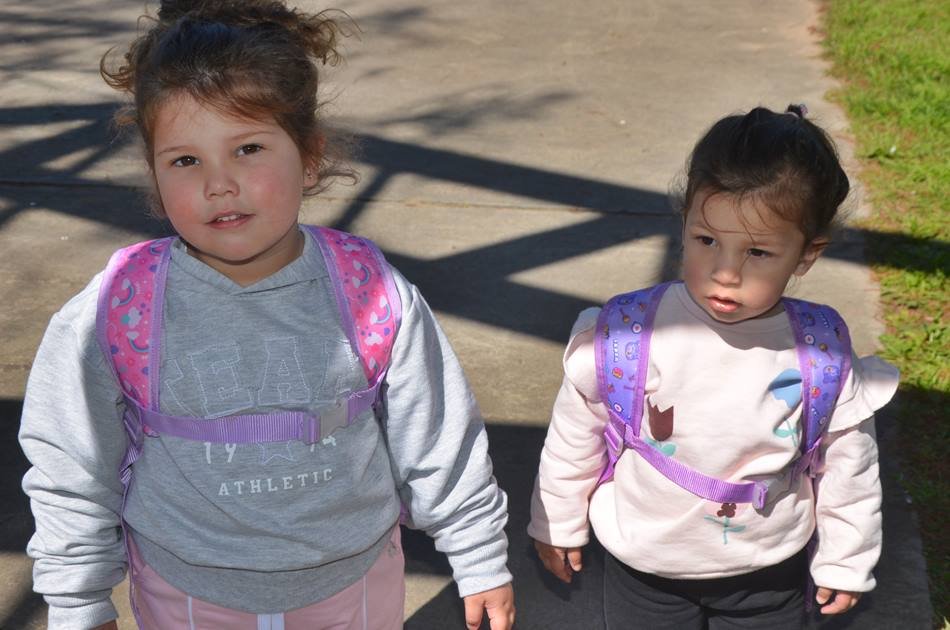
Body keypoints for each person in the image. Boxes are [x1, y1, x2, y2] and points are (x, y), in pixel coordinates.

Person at [18, 1, 515, 628]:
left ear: (310, 155)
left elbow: (437, 431)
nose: (219, 184)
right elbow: (71, 462)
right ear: (154, 174)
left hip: (352, 587)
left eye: (248, 148)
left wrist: (477, 550)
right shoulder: (119, 308)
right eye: (185, 160)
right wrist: (77, 599)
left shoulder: (368, 291)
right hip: (188, 594)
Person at [528, 105, 899, 629]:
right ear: (684, 223)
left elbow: (848, 465)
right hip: (644, 566)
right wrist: (556, 520)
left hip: (767, 569)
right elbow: (574, 435)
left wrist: (845, 558)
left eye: (758, 253)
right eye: (707, 241)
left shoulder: (819, 352)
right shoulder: (630, 334)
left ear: (806, 254)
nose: (725, 272)